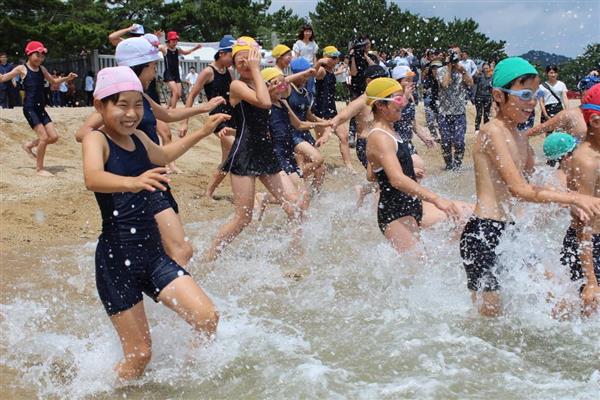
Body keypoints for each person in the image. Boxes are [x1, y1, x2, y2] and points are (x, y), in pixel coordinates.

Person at [83, 66, 226, 380]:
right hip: (116, 260)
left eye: (137, 104)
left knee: (207, 318)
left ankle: (187, 377)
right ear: (100, 106)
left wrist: (202, 132)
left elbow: (161, 155)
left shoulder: (139, 137)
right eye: (121, 104)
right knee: (139, 356)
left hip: (152, 256)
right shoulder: (97, 139)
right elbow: (92, 178)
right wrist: (134, 183)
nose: (131, 113)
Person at [459, 57, 600, 317]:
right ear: (499, 96)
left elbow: (537, 184)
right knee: (490, 321)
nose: (532, 102)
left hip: (510, 233)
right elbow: (519, 189)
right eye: (524, 94)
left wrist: (571, 197)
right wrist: (575, 200)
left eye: (535, 94)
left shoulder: (520, 137)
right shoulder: (491, 132)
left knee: (560, 298)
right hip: (483, 235)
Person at [76, 36, 225, 267]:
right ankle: (171, 289)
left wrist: (202, 111)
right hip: (136, 181)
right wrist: (113, 151)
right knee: (179, 250)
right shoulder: (117, 103)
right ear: (140, 67)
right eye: (153, 67)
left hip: (153, 176)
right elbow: (83, 133)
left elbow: (166, 117)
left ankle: (165, 288)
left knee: (168, 248)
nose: (155, 73)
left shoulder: (140, 98)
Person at [203, 37, 302, 262]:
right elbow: (264, 102)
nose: (246, 63)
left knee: (294, 206)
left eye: (250, 58)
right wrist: (258, 70)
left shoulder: (260, 82)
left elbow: (278, 96)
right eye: (240, 59)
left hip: (266, 152)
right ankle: (209, 256)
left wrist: (275, 82)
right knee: (243, 218)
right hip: (245, 154)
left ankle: (296, 253)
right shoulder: (236, 85)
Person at [365, 77, 460, 253]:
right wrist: (436, 199)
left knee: (462, 217)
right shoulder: (379, 136)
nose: (403, 103)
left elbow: (371, 175)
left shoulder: (391, 132)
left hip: (412, 204)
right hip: (396, 213)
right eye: (398, 99)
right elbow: (397, 180)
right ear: (380, 105)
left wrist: (407, 172)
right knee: (417, 269)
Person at [553, 88, 600, 316]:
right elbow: (583, 224)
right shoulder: (586, 161)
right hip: (588, 247)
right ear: (596, 121)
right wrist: (591, 279)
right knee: (584, 314)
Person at [0, 41, 77, 176]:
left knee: (53, 137)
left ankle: (29, 145)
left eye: (42, 56)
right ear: (29, 54)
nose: (40, 59)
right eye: (37, 55)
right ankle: (39, 168)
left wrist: (67, 78)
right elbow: (4, 78)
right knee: (43, 137)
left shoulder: (42, 69)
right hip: (30, 108)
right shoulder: (21, 69)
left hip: (41, 108)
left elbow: (53, 81)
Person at [180, 35, 236, 199]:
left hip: (231, 118)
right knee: (238, 151)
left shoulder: (229, 71)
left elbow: (233, 96)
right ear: (222, 53)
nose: (234, 58)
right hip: (217, 119)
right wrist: (184, 122)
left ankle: (208, 192)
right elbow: (191, 95)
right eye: (232, 54)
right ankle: (241, 192)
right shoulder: (208, 72)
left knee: (227, 159)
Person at [312, 46, 354, 171]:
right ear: (327, 59)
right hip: (320, 111)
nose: (336, 60)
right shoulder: (322, 71)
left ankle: (349, 165)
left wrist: (338, 72)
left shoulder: (330, 71)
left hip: (332, 110)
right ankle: (309, 159)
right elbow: (312, 74)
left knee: (344, 137)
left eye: (336, 58)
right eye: (333, 58)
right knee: (320, 140)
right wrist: (319, 62)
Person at [436, 46, 473, 170]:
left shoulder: (463, 69)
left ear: (461, 55)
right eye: (452, 54)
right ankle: (448, 165)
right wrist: (450, 67)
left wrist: (462, 71)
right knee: (446, 142)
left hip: (459, 113)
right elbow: (445, 84)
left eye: (456, 54)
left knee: (459, 142)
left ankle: (457, 166)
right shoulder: (441, 70)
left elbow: (470, 83)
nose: (454, 56)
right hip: (444, 112)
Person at [528, 78, 600, 141]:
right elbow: (540, 129)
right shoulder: (570, 114)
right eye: (589, 94)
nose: (592, 97)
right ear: (580, 94)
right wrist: (520, 137)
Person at [160, 31, 202, 109]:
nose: (175, 43)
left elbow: (186, 53)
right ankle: (173, 111)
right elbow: (156, 47)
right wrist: (157, 38)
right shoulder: (164, 48)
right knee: (175, 92)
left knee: (178, 94)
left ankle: (168, 106)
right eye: (173, 41)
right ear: (168, 41)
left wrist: (195, 48)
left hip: (176, 74)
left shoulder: (177, 49)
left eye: (176, 41)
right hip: (169, 73)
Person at [292, 24, 318, 94]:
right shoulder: (298, 43)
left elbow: (314, 57)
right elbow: (296, 56)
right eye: (306, 31)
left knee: (310, 87)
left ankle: (310, 102)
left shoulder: (313, 43)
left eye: (309, 31)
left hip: (310, 67)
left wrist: (315, 68)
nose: (308, 33)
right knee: (300, 86)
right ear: (303, 32)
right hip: (301, 67)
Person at [422, 59, 442, 141]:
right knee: (430, 122)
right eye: (434, 68)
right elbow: (425, 89)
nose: (436, 70)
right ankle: (435, 136)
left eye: (438, 68)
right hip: (430, 102)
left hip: (441, 102)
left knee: (441, 121)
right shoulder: (428, 78)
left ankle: (444, 136)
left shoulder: (444, 78)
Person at [473, 63, 493, 133]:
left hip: (488, 97)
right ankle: (477, 128)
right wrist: (476, 73)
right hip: (479, 97)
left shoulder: (492, 78)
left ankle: (486, 128)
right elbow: (474, 80)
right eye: (484, 68)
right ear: (482, 69)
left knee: (486, 114)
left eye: (487, 68)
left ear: (489, 68)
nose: (485, 70)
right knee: (479, 113)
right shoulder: (479, 76)